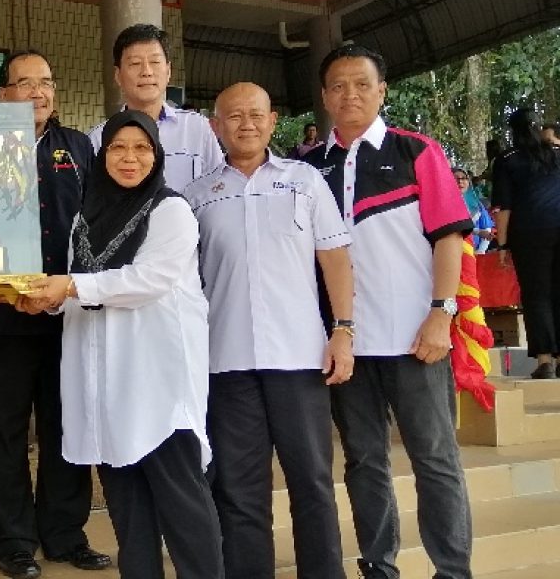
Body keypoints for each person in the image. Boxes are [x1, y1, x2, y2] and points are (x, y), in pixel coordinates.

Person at [21, 110, 222, 579]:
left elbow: (147, 280)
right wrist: (46, 301)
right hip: (105, 384)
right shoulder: (86, 216)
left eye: (141, 148)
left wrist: (69, 287)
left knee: (183, 508)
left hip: (158, 382)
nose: (129, 158)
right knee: (129, 513)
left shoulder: (170, 210)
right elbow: (80, 286)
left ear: (157, 155)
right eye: (117, 148)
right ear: (102, 155)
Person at [305, 45, 473, 579]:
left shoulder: (416, 151)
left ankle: (452, 570)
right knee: (363, 461)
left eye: (362, 84)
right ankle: (379, 566)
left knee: (435, 459)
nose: (349, 95)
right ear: (324, 96)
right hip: (346, 344)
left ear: (382, 91)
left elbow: (448, 238)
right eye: (338, 86)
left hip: (415, 338)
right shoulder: (308, 168)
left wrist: (442, 313)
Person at [184, 82, 354, 579]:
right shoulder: (196, 196)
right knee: (239, 491)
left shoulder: (305, 180)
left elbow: (335, 258)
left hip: (299, 358)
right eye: (234, 116)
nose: (247, 124)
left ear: (273, 121)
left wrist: (343, 330)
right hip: (226, 363)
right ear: (216, 126)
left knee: (312, 483)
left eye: (256, 114)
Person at [0, 50, 107, 579]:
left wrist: (78, 290)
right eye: (25, 83)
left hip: (64, 315)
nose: (38, 92)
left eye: (47, 82)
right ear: (3, 93)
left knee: (66, 426)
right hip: (1, 315)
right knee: (5, 431)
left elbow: (98, 223)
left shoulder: (78, 147)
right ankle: (12, 541)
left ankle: (65, 533)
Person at [88, 24, 223, 191]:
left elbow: (218, 188)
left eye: (155, 62)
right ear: (118, 75)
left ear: (168, 71)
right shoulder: (98, 139)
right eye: (135, 63)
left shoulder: (198, 128)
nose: (147, 72)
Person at [493, 109, 560, 379]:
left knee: (536, 295)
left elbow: (504, 207)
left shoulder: (507, 159)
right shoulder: (556, 154)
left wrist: (501, 245)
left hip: (530, 233)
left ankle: (545, 361)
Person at [455, 167, 495, 253]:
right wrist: (478, 232)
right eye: (456, 178)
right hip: (451, 252)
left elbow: (486, 229)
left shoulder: (477, 205)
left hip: (474, 253)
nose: (460, 181)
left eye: (464, 178)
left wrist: (480, 251)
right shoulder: (443, 205)